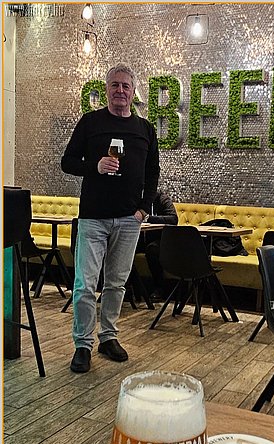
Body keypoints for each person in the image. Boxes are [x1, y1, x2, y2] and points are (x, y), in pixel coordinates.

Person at [61, 64, 159, 373]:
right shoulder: (90, 122)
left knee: (116, 283)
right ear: (106, 90)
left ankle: (108, 337)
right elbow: (67, 162)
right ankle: (82, 344)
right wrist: (95, 166)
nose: (120, 90)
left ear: (133, 92)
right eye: (114, 85)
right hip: (93, 218)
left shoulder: (145, 129)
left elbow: (153, 173)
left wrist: (143, 210)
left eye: (125, 86)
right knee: (85, 284)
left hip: (129, 220)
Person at [137, 191, 178, 300]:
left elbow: (173, 219)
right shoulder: (136, 200)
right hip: (139, 238)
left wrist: (148, 218)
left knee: (152, 250)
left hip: (160, 239)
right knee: (121, 249)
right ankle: (130, 288)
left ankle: (159, 288)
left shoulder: (161, 199)